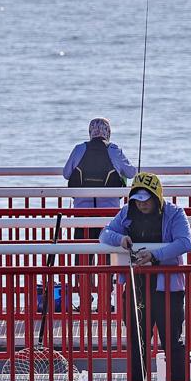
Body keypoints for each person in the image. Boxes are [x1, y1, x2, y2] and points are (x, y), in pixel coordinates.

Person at [99, 173, 191, 381]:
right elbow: (104, 234)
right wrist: (120, 239)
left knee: (172, 341)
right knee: (136, 341)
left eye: (146, 200)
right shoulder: (126, 213)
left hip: (168, 289)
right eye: (137, 200)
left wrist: (155, 255)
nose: (141, 205)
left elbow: (185, 242)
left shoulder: (175, 213)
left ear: (157, 197)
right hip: (136, 286)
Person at [63, 118, 137, 310]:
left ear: (90, 133)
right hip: (108, 217)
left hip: (82, 217)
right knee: (107, 258)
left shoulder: (79, 149)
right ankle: (105, 301)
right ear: (108, 133)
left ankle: (85, 301)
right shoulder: (114, 150)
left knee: (83, 260)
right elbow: (131, 172)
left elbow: (66, 173)